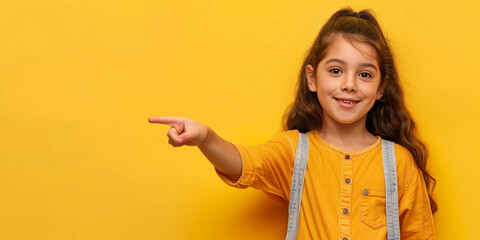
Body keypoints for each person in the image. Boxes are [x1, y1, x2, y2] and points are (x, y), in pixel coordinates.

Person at [149, 7, 436, 240]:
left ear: (382, 87)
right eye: (336, 70)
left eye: (365, 74)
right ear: (312, 78)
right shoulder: (294, 151)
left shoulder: (398, 163)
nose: (349, 85)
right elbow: (245, 163)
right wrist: (206, 139)